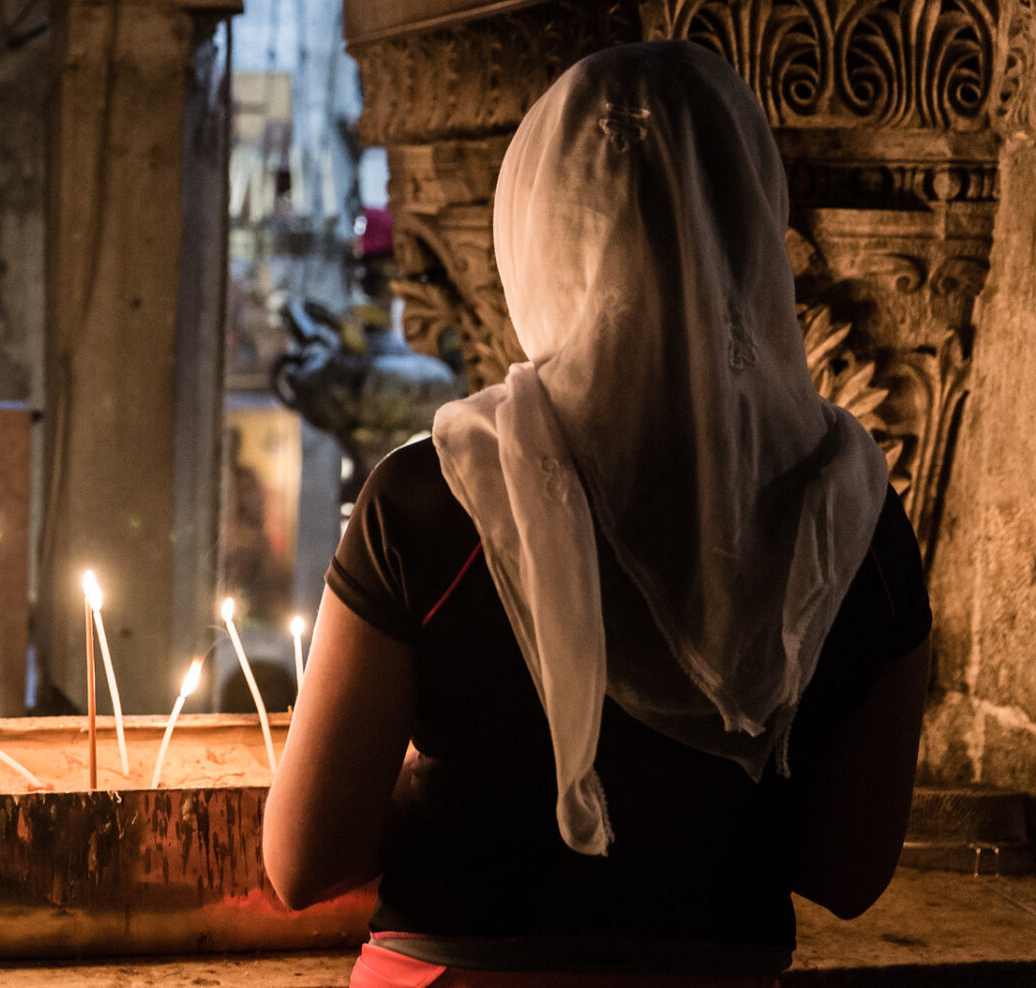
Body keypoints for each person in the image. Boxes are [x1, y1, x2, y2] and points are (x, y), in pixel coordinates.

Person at [263, 41, 931, 988]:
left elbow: (303, 860)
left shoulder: (434, 497)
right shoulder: (856, 518)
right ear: (751, 226)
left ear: (536, 235)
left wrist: (441, 781)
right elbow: (849, 873)